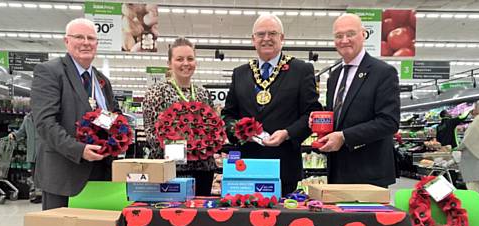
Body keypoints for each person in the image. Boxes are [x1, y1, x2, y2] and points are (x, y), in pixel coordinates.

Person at [31, 18, 120, 226]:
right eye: (79, 38)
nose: (85, 43)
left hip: (97, 175)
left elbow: (111, 117)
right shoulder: (50, 72)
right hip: (62, 174)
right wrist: (79, 150)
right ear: (66, 41)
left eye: (91, 39)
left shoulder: (101, 80)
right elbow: (44, 123)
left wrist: (117, 140)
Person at [222, 14, 322, 195]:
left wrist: (287, 133)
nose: (266, 38)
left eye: (272, 33)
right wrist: (240, 131)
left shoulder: (301, 70)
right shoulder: (240, 74)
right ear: (253, 39)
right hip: (246, 166)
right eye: (261, 34)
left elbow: (312, 113)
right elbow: (228, 115)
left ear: (282, 38)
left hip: (284, 166)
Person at [314, 14, 400, 187]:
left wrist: (345, 137)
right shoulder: (334, 76)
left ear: (363, 35)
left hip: (369, 174)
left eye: (350, 34)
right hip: (337, 172)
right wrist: (319, 121)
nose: (344, 40)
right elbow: (339, 115)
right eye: (339, 36)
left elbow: (389, 122)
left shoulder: (383, 73)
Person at [142, 37, 216, 196]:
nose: (186, 63)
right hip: (169, 171)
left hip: (203, 170)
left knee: (201, 217)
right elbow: (151, 134)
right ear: (169, 63)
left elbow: (213, 128)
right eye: (179, 59)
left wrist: (210, 142)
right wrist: (185, 148)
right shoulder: (156, 93)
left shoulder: (203, 93)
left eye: (190, 58)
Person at [8, 113, 41, 203]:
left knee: (43, 173)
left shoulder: (44, 117)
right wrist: (14, 135)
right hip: (32, 151)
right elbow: (21, 132)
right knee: (34, 174)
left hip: (44, 151)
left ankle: (42, 194)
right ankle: (37, 194)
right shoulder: (27, 118)